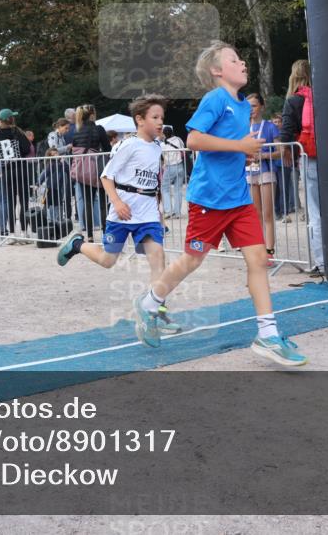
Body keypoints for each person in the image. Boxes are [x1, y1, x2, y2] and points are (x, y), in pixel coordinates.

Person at [132, 41, 307, 366]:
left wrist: (245, 149)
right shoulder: (215, 100)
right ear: (217, 71)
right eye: (234, 59)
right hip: (209, 199)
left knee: (258, 260)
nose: (242, 63)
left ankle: (268, 334)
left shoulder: (242, 107)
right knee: (191, 260)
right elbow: (193, 140)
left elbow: (233, 146)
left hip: (238, 199)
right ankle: (151, 301)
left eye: (241, 59)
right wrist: (239, 146)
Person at [58, 95, 179, 332]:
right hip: (122, 213)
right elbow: (106, 176)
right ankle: (77, 244)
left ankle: (155, 311)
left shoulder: (157, 147)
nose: (160, 122)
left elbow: (155, 184)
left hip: (147, 215)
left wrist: (160, 214)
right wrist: (117, 202)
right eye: (155, 117)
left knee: (158, 260)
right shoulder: (127, 145)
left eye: (162, 118)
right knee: (107, 260)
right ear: (139, 120)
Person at [280, 59, 322, 275]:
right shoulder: (324, 96)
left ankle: (322, 262)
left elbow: (286, 132)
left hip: (309, 157)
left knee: (314, 211)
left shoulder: (294, 101)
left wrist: (287, 151)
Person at [247, 93, 281, 265]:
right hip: (250, 173)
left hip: (266, 171)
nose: (251, 109)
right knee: (256, 214)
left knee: (267, 214)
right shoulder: (244, 128)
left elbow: (281, 150)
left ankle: (269, 251)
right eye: (248, 106)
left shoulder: (269, 126)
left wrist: (265, 155)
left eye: (254, 105)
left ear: (261, 106)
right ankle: (259, 251)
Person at [0, 109, 32, 237]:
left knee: (11, 202)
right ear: (11, 119)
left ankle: (12, 232)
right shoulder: (17, 132)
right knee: (24, 202)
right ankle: (24, 231)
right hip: (20, 169)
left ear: (0, 121)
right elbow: (27, 148)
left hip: (7, 171)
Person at [71, 104, 112, 242]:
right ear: (93, 114)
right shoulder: (98, 129)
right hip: (97, 169)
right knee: (101, 202)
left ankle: (89, 236)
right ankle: (106, 233)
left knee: (87, 202)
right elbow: (107, 148)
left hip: (82, 170)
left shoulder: (77, 130)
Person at [160, 126, 186, 219]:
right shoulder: (179, 140)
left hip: (170, 166)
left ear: (164, 134)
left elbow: (163, 156)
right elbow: (183, 149)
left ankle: (168, 210)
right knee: (178, 189)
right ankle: (177, 212)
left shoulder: (163, 145)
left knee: (164, 188)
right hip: (180, 166)